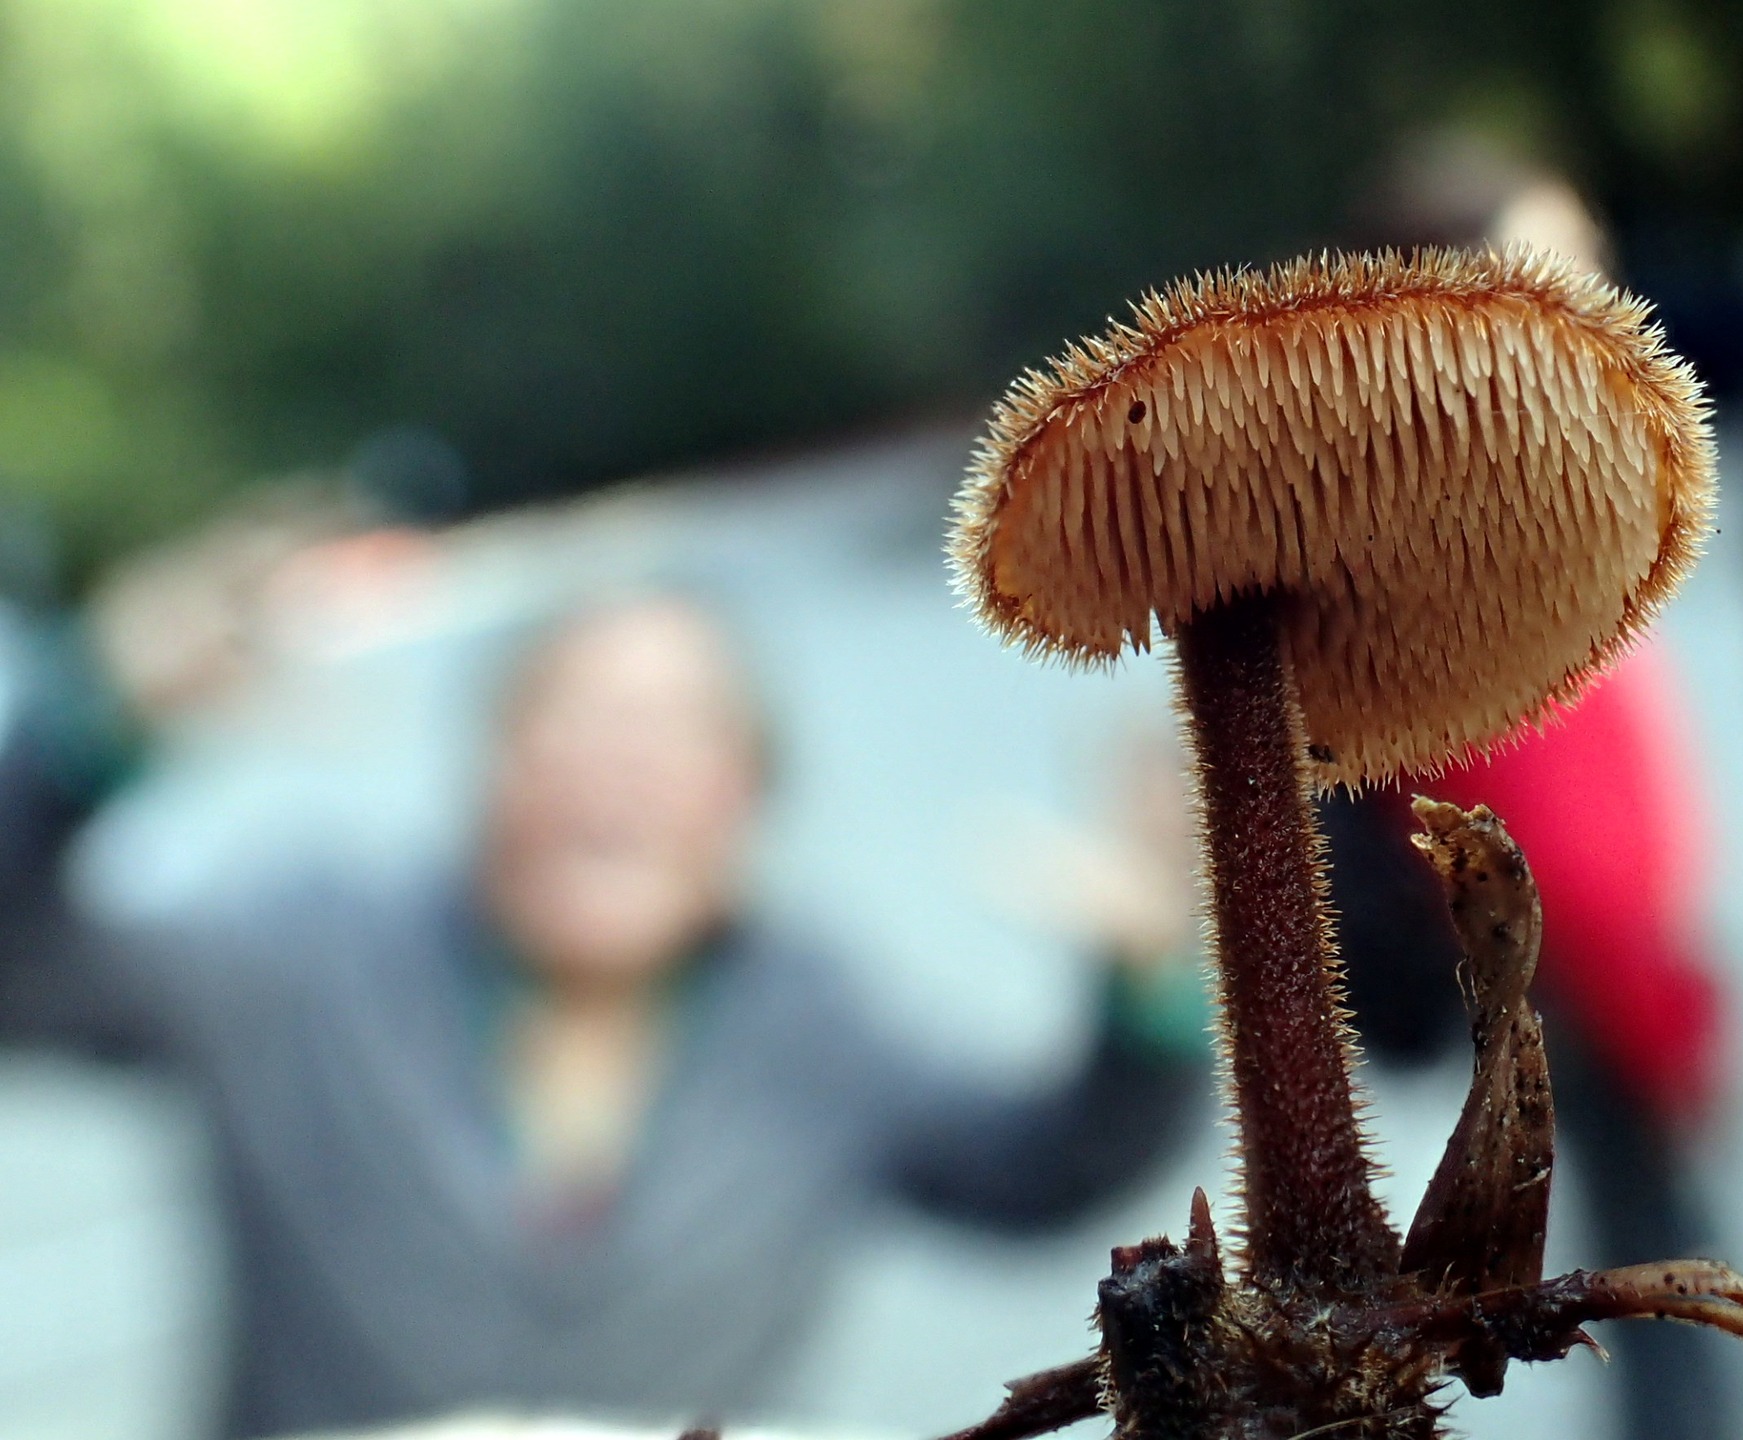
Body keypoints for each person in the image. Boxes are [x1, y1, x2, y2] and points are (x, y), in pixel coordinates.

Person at [0, 597, 1207, 1438]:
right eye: (571, 716)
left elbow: (1036, 1169)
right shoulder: (307, 951)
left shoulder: (808, 1021)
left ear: (745, 805)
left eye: (677, 729)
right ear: (492, 764)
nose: (619, 764)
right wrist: (80, 732)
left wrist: (1153, 993)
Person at [1327, 129, 1737, 1440]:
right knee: (1666, 1293)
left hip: (1565, 969)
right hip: (1584, 978)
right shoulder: (1481, 515)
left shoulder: (1448, 489)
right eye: (1560, 260)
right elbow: (1545, 822)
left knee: (1633, 1277)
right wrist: (1660, 999)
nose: (1599, 285)